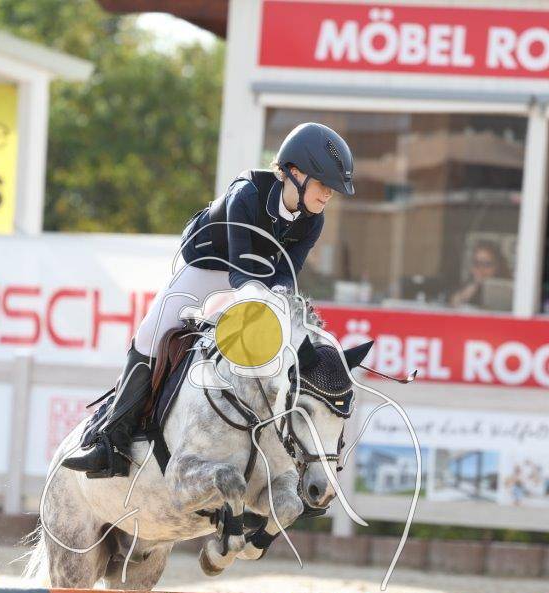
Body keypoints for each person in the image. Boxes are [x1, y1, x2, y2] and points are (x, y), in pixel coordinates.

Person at [62, 122, 356, 478]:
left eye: (332, 190)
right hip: (207, 266)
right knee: (151, 334)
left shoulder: (313, 221)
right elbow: (238, 270)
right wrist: (262, 298)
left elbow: (286, 274)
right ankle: (111, 441)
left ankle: (279, 458)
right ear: (294, 172)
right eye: (324, 185)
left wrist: (280, 302)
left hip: (258, 279)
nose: (328, 195)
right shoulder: (247, 193)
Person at [449, 241, 508, 308]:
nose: (481, 269)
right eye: (477, 263)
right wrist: (474, 285)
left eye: (487, 264)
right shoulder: (469, 284)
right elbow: (454, 303)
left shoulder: (507, 287)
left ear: (497, 266)